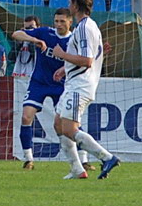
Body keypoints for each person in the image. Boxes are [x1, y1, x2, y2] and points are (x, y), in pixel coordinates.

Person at [52, 0, 120, 180]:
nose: (68, 6)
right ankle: (76, 169)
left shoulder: (83, 28)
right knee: (58, 124)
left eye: (69, 3)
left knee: (69, 129)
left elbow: (87, 60)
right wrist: (65, 68)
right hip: (75, 82)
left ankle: (106, 157)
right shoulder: (91, 26)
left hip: (80, 85)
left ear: (75, 5)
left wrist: (62, 55)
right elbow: (94, 55)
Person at [12, 9, 87, 171]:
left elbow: (82, 62)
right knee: (26, 117)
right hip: (39, 82)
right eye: (56, 21)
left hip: (61, 85)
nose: (58, 25)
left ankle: (83, 159)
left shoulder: (74, 40)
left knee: (69, 123)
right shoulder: (45, 32)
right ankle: (28, 159)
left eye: (62, 21)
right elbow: (16, 34)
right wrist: (34, 40)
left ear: (70, 22)